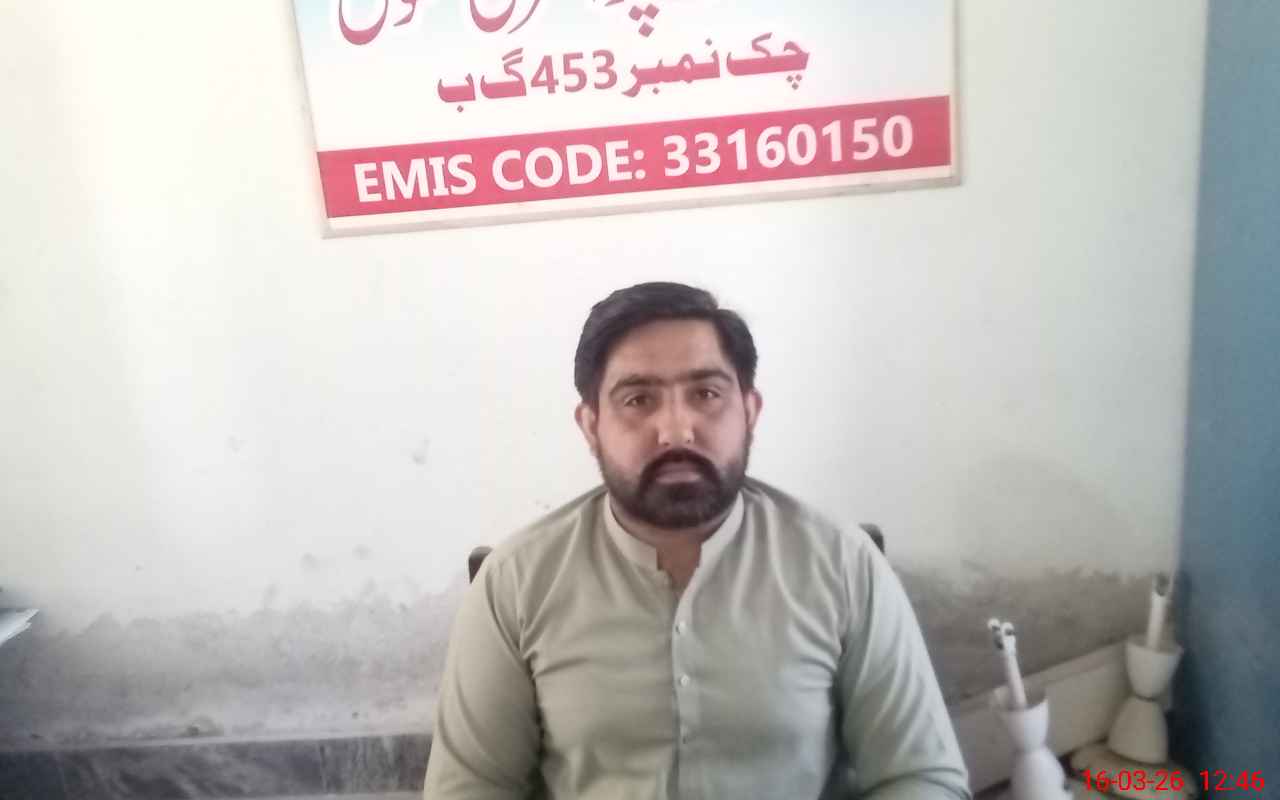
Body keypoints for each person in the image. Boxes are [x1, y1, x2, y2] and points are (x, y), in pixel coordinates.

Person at [423, 282, 972, 799]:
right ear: (590, 425)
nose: (676, 430)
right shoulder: (517, 581)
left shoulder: (842, 563)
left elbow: (920, 775)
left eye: (706, 393)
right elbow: (470, 788)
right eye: (638, 400)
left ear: (750, 411)